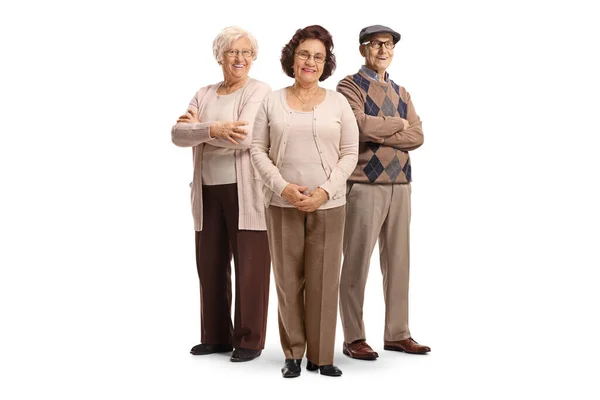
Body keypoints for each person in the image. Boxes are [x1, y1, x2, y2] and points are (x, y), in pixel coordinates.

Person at [251, 25, 358, 378]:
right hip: (283, 204)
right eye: (304, 55)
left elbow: (349, 152)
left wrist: (325, 190)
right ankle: (293, 354)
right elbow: (257, 150)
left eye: (318, 57)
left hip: (329, 204)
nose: (310, 62)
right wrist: (282, 187)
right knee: (287, 281)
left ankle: (322, 356)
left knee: (325, 280)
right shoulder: (271, 101)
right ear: (292, 59)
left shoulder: (339, 103)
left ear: (326, 64)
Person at [171, 26, 271, 363]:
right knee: (209, 263)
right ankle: (215, 336)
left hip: (247, 193)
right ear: (220, 56)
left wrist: (199, 131)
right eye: (232, 52)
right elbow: (177, 134)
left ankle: (249, 340)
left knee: (251, 266)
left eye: (246, 52)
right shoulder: (204, 93)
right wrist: (214, 129)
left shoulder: (259, 91)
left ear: (253, 58)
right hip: (207, 191)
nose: (240, 58)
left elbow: (245, 137)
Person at [337, 25, 431, 360]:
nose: (383, 49)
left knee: (398, 262)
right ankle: (353, 337)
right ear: (363, 49)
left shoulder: (401, 92)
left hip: (400, 184)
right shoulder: (350, 85)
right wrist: (398, 125)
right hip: (363, 184)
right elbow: (357, 125)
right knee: (356, 262)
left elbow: (418, 136)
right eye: (375, 44)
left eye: (388, 44)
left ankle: (397, 334)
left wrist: (383, 130)